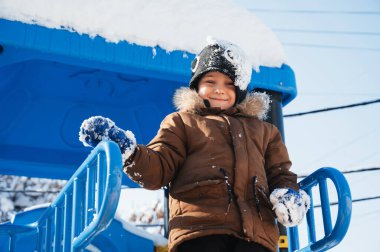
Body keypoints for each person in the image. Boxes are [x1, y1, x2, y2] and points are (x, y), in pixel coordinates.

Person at [79, 38, 310, 252]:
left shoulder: (264, 131)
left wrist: (287, 193)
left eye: (229, 84)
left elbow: (279, 172)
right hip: (200, 229)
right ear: (197, 85)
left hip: (256, 236)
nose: (219, 89)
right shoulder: (182, 123)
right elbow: (159, 166)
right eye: (210, 81)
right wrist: (129, 152)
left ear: (239, 90)